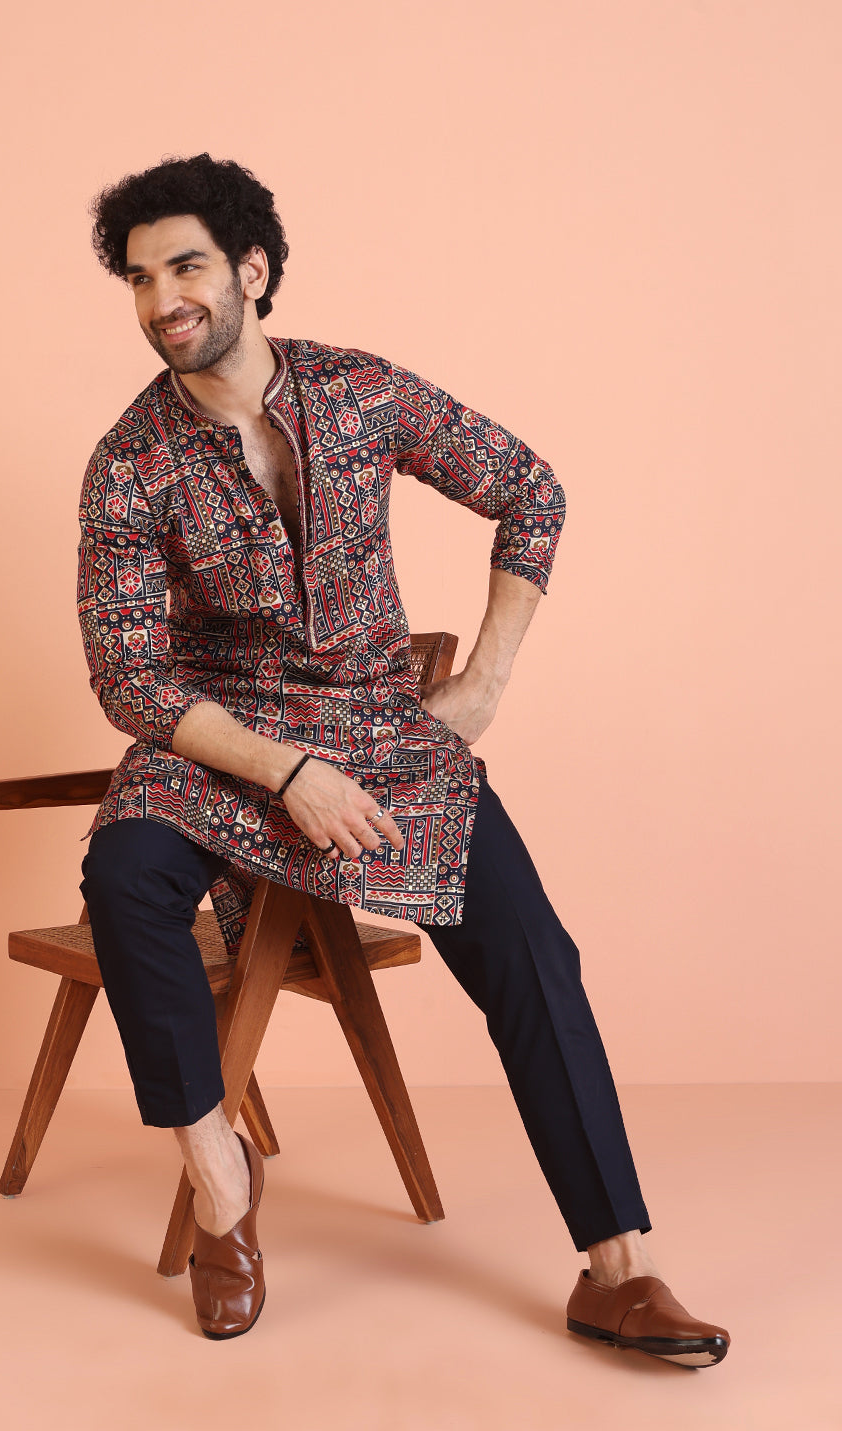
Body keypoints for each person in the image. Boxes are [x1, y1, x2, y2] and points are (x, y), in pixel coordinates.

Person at [76, 152, 730, 1364]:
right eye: (140, 278)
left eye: (185, 267)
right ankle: (221, 1186)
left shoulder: (363, 393)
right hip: (222, 745)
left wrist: (484, 681)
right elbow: (128, 675)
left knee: (533, 952)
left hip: (384, 731)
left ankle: (621, 1271)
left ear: (251, 271)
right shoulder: (128, 460)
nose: (162, 299)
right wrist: (282, 771)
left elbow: (530, 491)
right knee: (121, 875)